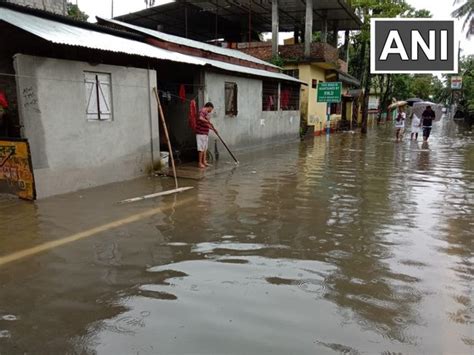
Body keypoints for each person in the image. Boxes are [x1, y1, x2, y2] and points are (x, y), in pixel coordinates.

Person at [196, 102, 214, 168]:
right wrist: (208, 122)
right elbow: (200, 118)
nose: (211, 110)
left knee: (205, 148)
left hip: (205, 133)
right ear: (209, 107)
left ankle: (204, 161)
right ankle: (200, 163)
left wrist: (213, 128)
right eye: (211, 109)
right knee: (201, 149)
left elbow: (206, 124)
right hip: (201, 133)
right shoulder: (203, 110)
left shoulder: (206, 113)